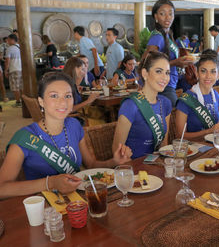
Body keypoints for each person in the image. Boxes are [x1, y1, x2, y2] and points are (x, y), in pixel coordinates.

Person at [0, 72, 132, 199]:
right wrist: (50, 183)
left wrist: (114, 162)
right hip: (44, 209)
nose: (63, 102)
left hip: (78, 202)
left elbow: (91, 164)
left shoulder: (74, 125)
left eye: (68, 96)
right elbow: (2, 189)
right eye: (54, 96)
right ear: (41, 101)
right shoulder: (25, 137)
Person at [113, 51, 172, 159]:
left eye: (167, 73)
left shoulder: (165, 103)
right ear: (145, 74)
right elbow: (117, 151)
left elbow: (164, 146)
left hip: (157, 166)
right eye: (159, 71)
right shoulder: (130, 106)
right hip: (134, 169)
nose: (165, 77)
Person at [145, 0, 190, 106]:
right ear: (156, 16)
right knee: (176, 117)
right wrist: (176, 62)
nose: (167, 17)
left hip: (171, 84)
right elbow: (148, 63)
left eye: (170, 14)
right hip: (164, 87)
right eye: (162, 14)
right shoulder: (157, 37)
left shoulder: (167, 35)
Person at [176, 52, 219, 139]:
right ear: (197, 74)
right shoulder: (185, 100)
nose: (208, 76)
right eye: (203, 71)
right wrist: (209, 131)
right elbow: (180, 136)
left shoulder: (216, 95)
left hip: (213, 144)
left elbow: (217, 124)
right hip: (193, 148)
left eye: (213, 72)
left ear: (218, 75)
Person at [4, 34, 22, 108]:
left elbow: (7, 61)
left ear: (12, 40)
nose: (7, 41)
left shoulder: (9, 48)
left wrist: (6, 70)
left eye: (8, 39)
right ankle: (24, 101)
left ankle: (18, 102)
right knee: (21, 86)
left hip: (14, 69)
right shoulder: (19, 46)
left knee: (15, 87)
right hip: (21, 69)